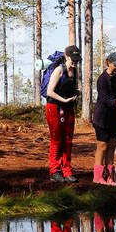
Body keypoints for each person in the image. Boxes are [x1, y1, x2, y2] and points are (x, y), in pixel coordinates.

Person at [44, 45, 81, 183]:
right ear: (67, 56)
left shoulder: (75, 71)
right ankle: (55, 171)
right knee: (57, 139)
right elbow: (50, 92)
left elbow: (72, 87)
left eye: (77, 59)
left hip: (68, 107)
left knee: (68, 139)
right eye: (73, 59)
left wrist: (75, 93)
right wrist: (64, 100)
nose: (75, 62)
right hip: (54, 106)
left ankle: (67, 170)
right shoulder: (59, 70)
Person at [92, 51, 116, 186]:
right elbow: (105, 99)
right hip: (102, 116)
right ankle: (98, 176)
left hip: (114, 117)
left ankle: (110, 176)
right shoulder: (102, 79)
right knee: (102, 145)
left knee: (112, 146)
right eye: (115, 65)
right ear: (108, 63)